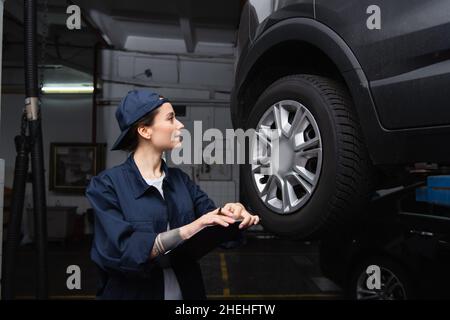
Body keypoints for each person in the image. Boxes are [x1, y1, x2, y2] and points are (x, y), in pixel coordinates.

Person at [85, 90, 259, 300]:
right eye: (170, 118)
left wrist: (234, 214)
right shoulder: (106, 186)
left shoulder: (180, 181)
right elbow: (124, 251)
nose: (180, 125)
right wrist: (191, 228)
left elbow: (214, 223)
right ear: (144, 130)